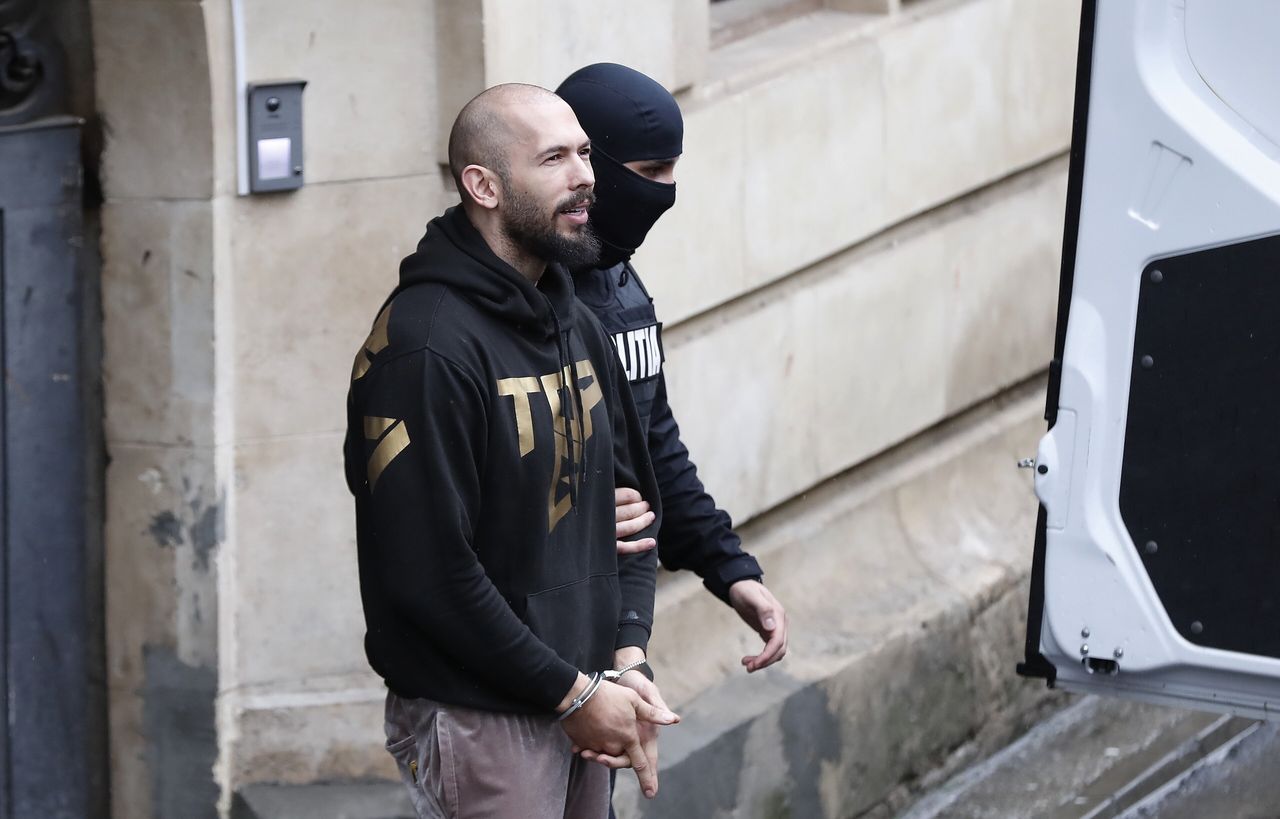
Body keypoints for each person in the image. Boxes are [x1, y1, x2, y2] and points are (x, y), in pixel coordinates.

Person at [343, 83, 678, 819]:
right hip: (484, 713)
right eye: (554, 157)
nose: (586, 175)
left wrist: (626, 655)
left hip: (590, 694)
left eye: (585, 152)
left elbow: (633, 511)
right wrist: (571, 692)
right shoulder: (426, 346)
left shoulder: (575, 317)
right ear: (483, 185)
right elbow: (428, 574)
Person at [556, 64, 789, 680]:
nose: (666, 190)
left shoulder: (623, 285)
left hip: (610, 640)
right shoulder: (519, 302)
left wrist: (729, 569)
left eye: (672, 169)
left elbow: (653, 445)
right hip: (527, 657)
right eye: (650, 173)